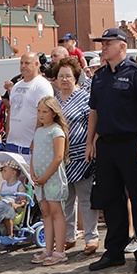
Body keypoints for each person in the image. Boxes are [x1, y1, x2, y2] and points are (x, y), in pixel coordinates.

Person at [87, 27, 137, 274]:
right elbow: (93, 111)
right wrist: (90, 142)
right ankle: (115, 251)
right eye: (102, 43)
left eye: (107, 43)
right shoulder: (99, 76)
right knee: (111, 199)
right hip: (106, 144)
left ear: (122, 47)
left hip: (131, 142)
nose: (103, 47)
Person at [52, 58, 100, 255]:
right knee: (66, 198)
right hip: (60, 157)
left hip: (82, 155)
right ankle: (68, 237)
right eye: (61, 76)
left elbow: (95, 124)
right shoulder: (53, 100)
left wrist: (92, 144)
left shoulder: (84, 98)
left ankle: (92, 237)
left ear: (75, 77)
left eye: (68, 76)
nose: (64, 80)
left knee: (86, 197)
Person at [30, 97, 69, 266]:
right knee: (45, 212)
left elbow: (58, 156)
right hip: (40, 178)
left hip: (52, 177)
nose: (41, 115)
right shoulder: (38, 131)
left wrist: (46, 176)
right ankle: (48, 248)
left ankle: (60, 250)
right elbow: (34, 154)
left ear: (53, 112)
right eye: (39, 111)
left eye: (45, 111)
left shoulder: (56, 130)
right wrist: (32, 172)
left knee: (55, 211)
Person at [6, 53, 55, 156]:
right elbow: (11, 110)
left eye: (27, 63)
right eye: (21, 63)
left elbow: (44, 114)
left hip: (29, 144)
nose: (23, 66)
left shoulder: (42, 85)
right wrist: (8, 134)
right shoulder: (16, 86)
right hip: (12, 142)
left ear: (37, 64)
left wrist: (36, 139)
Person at [0, 161, 27, 237]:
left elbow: (23, 200)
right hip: (3, 206)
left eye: (4, 171)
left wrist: (17, 205)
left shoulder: (19, 185)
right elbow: (0, 195)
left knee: (7, 213)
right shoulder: (4, 185)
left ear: (13, 173)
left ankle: (10, 234)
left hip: (13, 208)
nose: (2, 173)